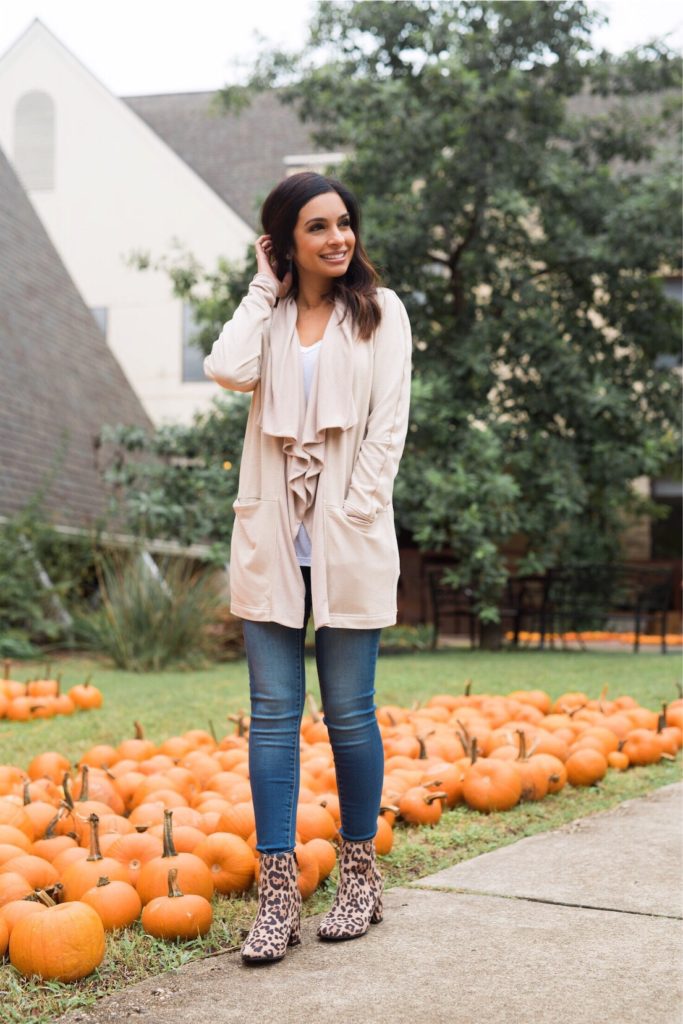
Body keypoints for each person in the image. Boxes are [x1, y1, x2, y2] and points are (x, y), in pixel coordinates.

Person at [203, 171, 412, 964]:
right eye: (317, 226)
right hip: (271, 538)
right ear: (285, 241)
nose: (337, 237)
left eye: (344, 222)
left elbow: (387, 425)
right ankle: (277, 896)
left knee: (350, 713)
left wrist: (355, 513)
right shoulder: (273, 318)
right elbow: (226, 368)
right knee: (271, 716)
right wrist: (264, 288)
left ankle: (359, 878)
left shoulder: (380, 312)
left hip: (347, 538)